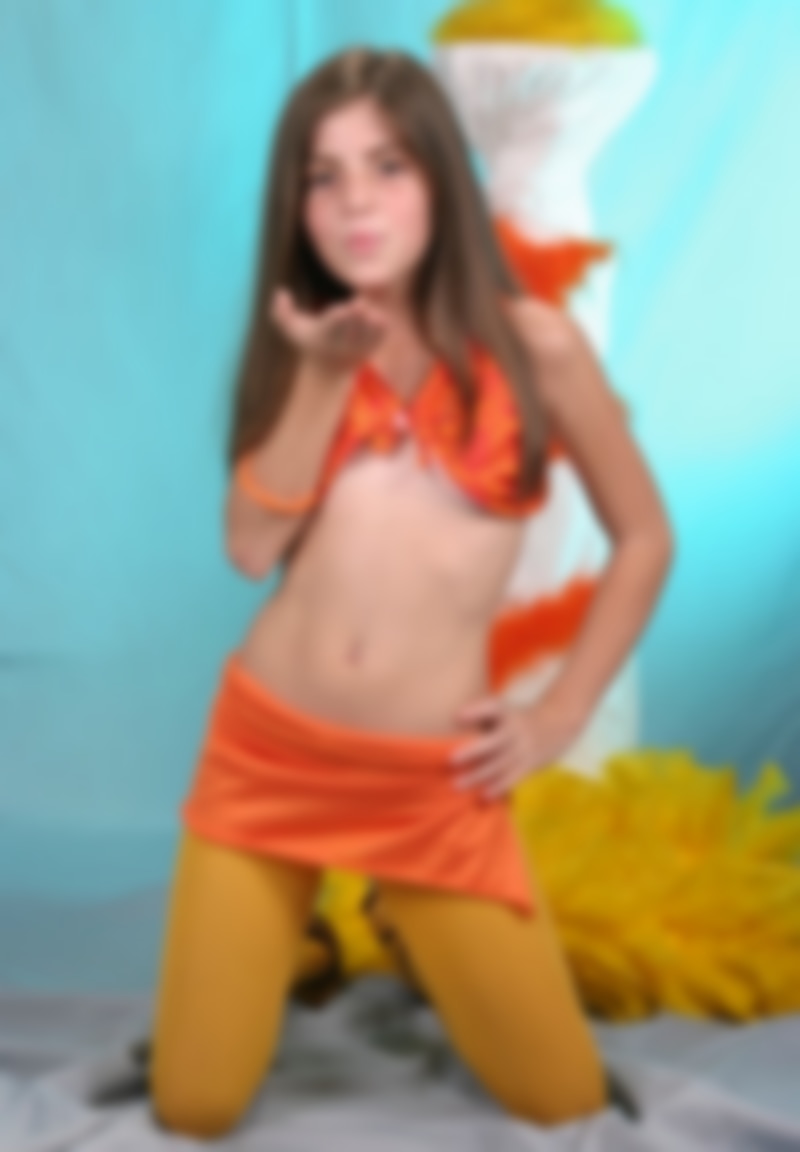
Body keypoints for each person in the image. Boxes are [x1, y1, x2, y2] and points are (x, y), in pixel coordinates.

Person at [147, 45, 673, 1139]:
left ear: (441, 177)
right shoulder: (300, 345)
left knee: (561, 1101)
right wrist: (321, 375)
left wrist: (557, 714)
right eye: (324, 175)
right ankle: (296, 934)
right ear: (297, 205)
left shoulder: (534, 345)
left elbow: (644, 538)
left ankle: (397, 909)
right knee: (194, 1103)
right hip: (268, 757)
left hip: (433, 782)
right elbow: (249, 547)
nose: (355, 201)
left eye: (387, 166)